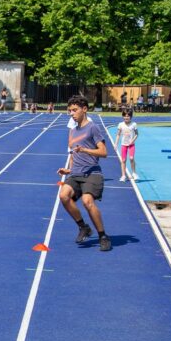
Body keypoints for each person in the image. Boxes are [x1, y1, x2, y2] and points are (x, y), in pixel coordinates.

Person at [57, 95, 111, 252]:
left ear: (84, 109)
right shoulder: (72, 132)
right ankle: (83, 227)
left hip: (92, 172)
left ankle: (103, 236)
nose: (71, 114)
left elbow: (104, 152)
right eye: (69, 111)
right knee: (63, 195)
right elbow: (74, 154)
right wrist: (69, 170)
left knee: (87, 201)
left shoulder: (93, 127)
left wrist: (85, 150)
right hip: (76, 173)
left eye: (74, 110)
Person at [114, 109, 139, 182]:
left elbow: (137, 134)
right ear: (122, 116)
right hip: (123, 144)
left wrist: (132, 141)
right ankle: (123, 175)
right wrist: (116, 144)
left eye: (128, 116)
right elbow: (118, 134)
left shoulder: (134, 124)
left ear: (131, 117)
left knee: (131, 158)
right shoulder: (121, 124)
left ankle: (134, 173)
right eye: (124, 116)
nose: (126, 117)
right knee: (123, 160)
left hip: (131, 145)